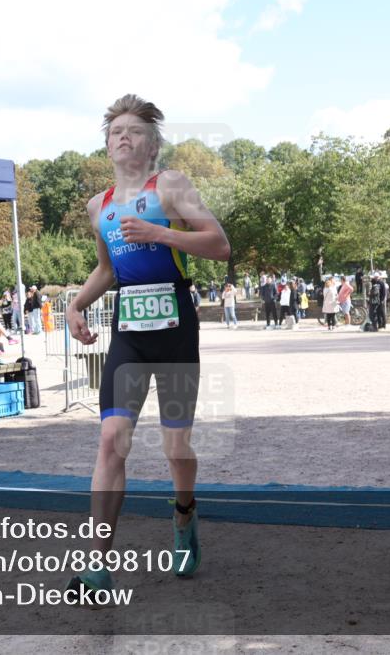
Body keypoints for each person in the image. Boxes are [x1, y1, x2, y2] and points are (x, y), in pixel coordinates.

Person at [63, 94, 230, 596]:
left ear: (152, 145)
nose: (124, 137)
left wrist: (161, 232)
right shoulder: (99, 207)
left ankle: (184, 514)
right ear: (107, 145)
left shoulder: (171, 185)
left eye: (134, 131)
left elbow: (219, 245)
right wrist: (76, 305)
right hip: (129, 334)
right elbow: (107, 270)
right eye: (116, 132)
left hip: (175, 325)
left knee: (175, 447)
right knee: (111, 440)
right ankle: (97, 566)